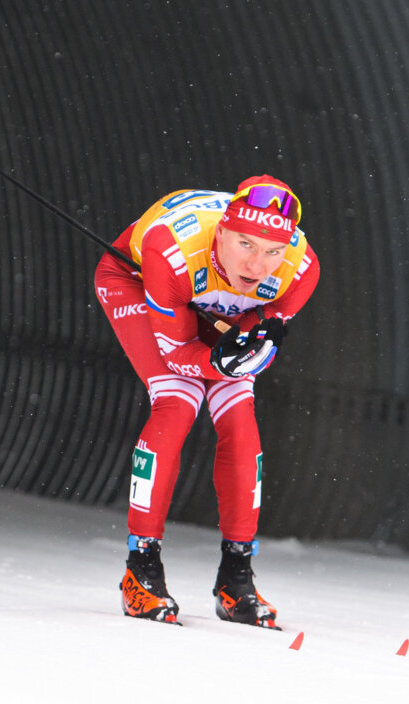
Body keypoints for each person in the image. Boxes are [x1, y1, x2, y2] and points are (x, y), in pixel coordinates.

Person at [94, 176, 319, 628]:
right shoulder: (169, 250)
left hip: (212, 306)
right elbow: (179, 354)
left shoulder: (301, 269)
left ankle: (236, 575)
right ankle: (141, 569)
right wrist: (225, 361)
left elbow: (258, 343)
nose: (258, 265)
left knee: (240, 416)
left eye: (272, 251)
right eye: (246, 244)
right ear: (221, 231)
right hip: (139, 282)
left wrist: (245, 354)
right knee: (178, 401)